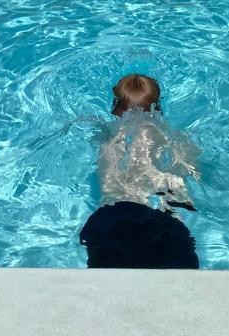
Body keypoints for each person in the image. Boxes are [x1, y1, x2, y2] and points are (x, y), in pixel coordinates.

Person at [79, 73, 200, 268]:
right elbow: (192, 174)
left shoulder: (108, 138)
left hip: (115, 219)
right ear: (158, 107)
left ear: (115, 108)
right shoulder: (176, 139)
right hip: (161, 218)